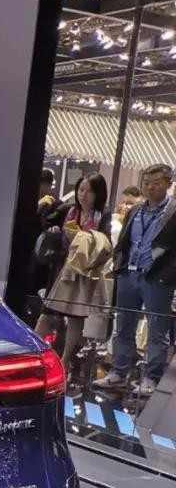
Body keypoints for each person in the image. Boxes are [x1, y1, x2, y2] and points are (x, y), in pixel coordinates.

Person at [94, 163, 176, 396]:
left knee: (157, 330)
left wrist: (168, 275)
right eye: (146, 183)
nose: (150, 188)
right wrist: (119, 266)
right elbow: (125, 241)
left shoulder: (173, 211)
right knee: (123, 325)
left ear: (168, 184)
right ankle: (119, 372)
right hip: (129, 274)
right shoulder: (135, 210)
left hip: (156, 278)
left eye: (156, 183)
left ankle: (151, 378)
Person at [35, 174, 112, 380]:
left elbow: (106, 244)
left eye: (89, 191)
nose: (83, 195)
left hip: (84, 272)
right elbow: (45, 222)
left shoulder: (102, 216)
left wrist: (83, 237)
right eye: (81, 190)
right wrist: (53, 229)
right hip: (62, 269)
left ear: (98, 194)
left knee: (76, 317)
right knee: (47, 313)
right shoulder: (68, 210)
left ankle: (65, 361)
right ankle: (34, 355)